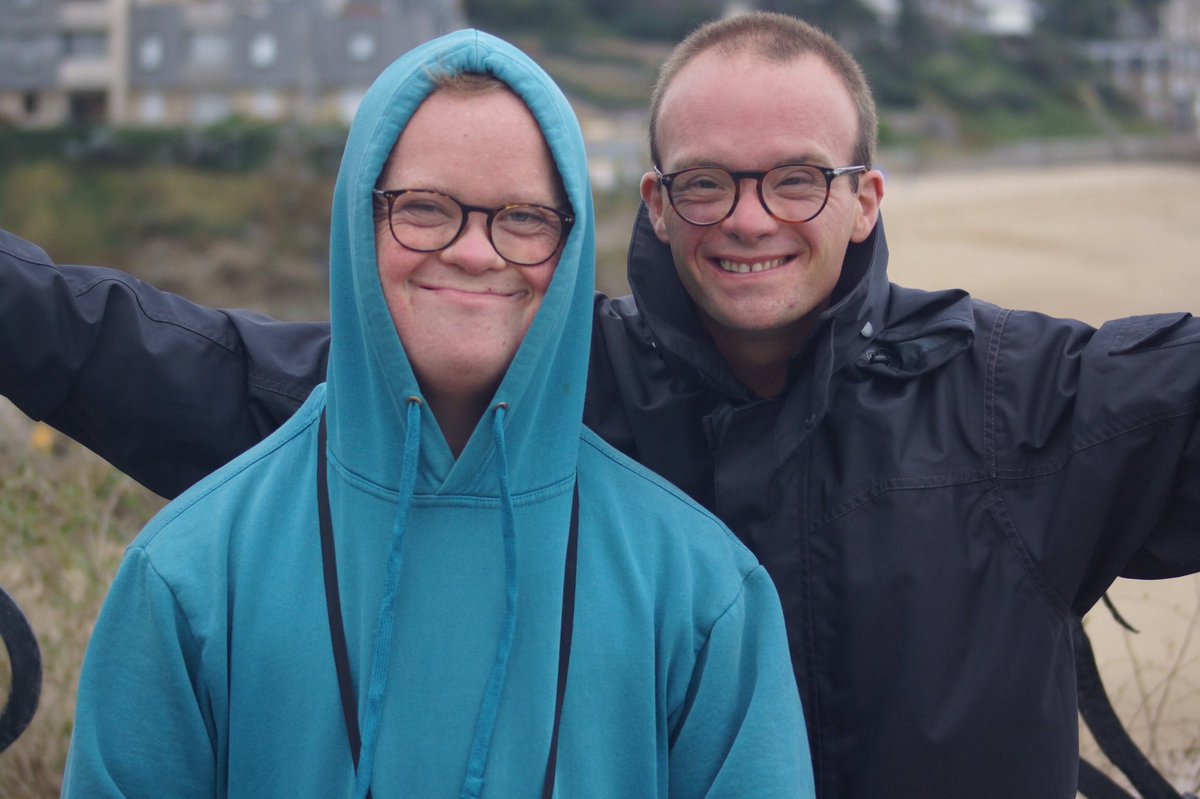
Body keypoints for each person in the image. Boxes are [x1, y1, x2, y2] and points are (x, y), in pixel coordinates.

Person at [2, 11, 1197, 799]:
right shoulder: (539, 385)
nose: (749, 215)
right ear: (656, 205)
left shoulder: (1023, 400)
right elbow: (188, 367)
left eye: (796, 179)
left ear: (867, 196)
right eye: (707, 182)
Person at [58, 29, 813, 798]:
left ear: (571, 242)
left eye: (522, 217)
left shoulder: (704, 593)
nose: (475, 252)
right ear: (360, 220)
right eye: (424, 207)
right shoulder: (187, 575)